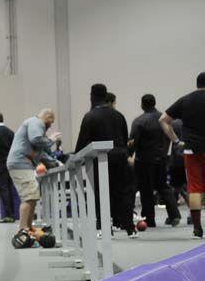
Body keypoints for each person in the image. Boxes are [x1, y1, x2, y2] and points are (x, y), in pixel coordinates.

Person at [76, 83, 136, 238]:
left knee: (101, 194)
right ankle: (129, 227)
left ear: (92, 96)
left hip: (100, 160)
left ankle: (104, 228)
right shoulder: (119, 115)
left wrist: (75, 159)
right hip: (120, 159)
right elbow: (124, 138)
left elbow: (82, 143)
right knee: (123, 193)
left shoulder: (90, 117)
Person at [159, 72, 205, 239]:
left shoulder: (186, 100)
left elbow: (163, 120)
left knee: (194, 189)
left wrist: (176, 141)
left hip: (191, 149)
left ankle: (197, 229)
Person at [7, 109, 60, 247]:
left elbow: (40, 153)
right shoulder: (37, 123)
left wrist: (55, 163)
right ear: (47, 117)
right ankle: (22, 231)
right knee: (29, 196)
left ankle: (28, 229)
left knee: (33, 196)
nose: (50, 126)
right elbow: (36, 139)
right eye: (51, 122)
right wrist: (51, 140)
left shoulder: (34, 125)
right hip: (20, 164)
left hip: (23, 164)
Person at [129, 94, 180, 227]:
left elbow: (133, 141)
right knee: (164, 187)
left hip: (144, 160)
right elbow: (170, 136)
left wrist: (129, 155)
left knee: (146, 190)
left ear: (142, 105)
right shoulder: (164, 119)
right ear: (154, 103)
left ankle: (149, 219)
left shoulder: (139, 121)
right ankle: (175, 215)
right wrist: (164, 152)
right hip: (162, 158)